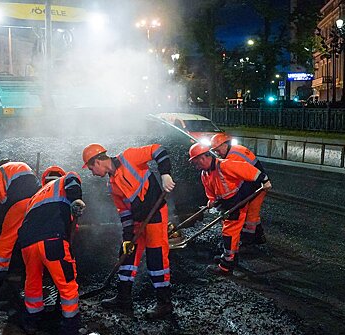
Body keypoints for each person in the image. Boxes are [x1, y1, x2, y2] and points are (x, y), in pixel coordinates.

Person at [82, 143, 175, 319]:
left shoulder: (129, 157)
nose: (92, 173)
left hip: (155, 214)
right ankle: (123, 298)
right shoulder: (112, 185)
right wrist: (127, 238)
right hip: (138, 220)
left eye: (91, 168)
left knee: (156, 259)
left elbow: (158, 149)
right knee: (126, 255)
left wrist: (165, 174)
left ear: (97, 162)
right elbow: (124, 213)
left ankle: (164, 304)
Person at [17, 165, 86, 335]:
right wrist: (76, 200)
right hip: (52, 241)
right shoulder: (65, 180)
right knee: (67, 284)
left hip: (27, 243)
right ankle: (70, 329)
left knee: (32, 282)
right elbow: (73, 183)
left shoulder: (35, 197)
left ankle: (31, 322)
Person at [188, 143, 271, 277]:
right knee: (231, 233)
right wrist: (211, 200)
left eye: (195, 162)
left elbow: (246, 169)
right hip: (225, 204)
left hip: (236, 202)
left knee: (229, 234)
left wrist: (264, 179)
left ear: (203, 158)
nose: (195, 165)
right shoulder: (205, 174)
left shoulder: (224, 165)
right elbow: (210, 190)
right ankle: (231, 257)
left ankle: (226, 266)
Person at [0, 159, 40, 289]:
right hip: (36, 203)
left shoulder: (0, 171)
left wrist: (4, 216)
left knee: (6, 242)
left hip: (18, 206)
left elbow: (2, 197)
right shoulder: (25, 165)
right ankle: (30, 274)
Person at [210, 133, 268, 245]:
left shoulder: (232, 157)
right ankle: (259, 237)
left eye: (218, 150)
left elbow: (238, 178)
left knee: (251, 216)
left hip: (258, 184)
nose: (217, 153)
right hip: (255, 182)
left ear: (224, 145)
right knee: (252, 214)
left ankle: (248, 242)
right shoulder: (235, 150)